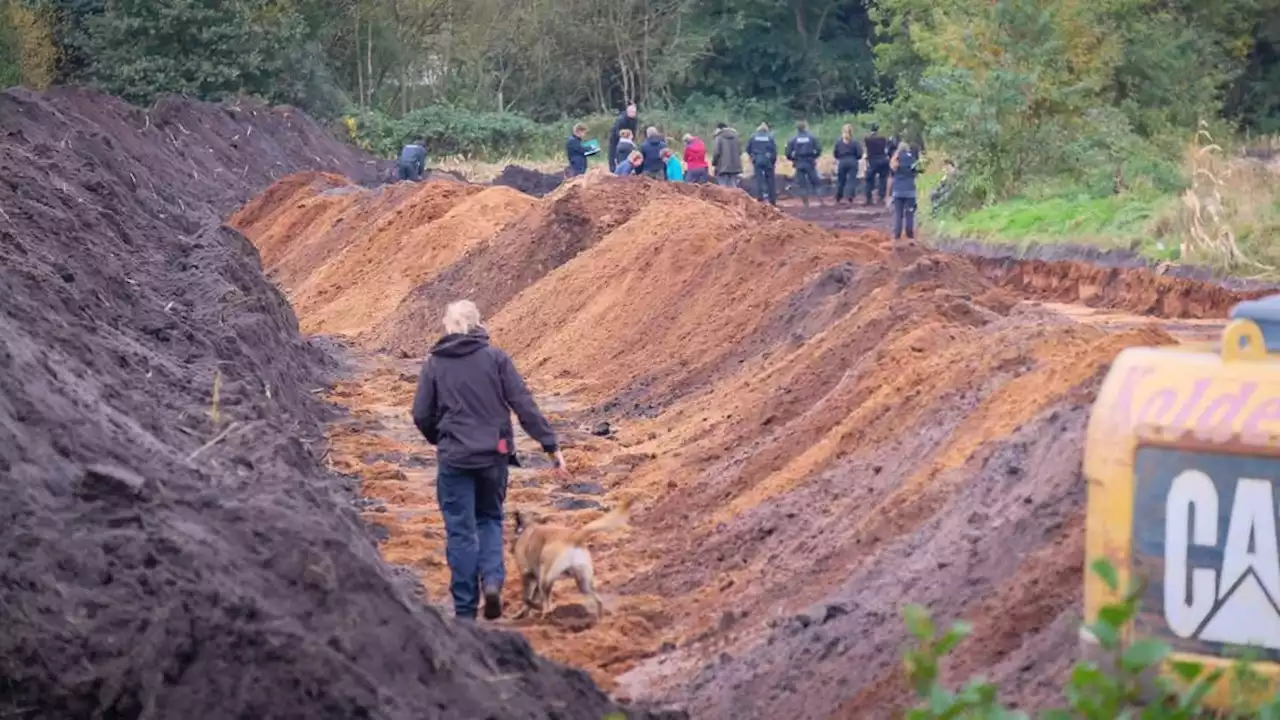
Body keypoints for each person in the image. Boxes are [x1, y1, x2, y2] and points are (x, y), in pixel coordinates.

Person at [411, 300, 569, 622]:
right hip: (493, 456)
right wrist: (551, 447)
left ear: (448, 326)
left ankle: (466, 610)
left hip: (454, 458)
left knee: (460, 531)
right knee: (489, 520)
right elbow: (523, 404)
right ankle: (493, 582)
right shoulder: (496, 359)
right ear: (478, 324)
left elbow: (420, 414)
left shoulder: (434, 364)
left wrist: (439, 439)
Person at [889, 142, 921, 242]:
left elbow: (891, 176)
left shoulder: (895, 159)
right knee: (909, 214)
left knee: (898, 215)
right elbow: (917, 171)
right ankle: (910, 237)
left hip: (897, 191)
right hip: (910, 190)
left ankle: (896, 237)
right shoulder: (912, 159)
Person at [785, 120, 822, 207]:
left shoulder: (793, 139)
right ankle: (821, 200)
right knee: (815, 182)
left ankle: (805, 203)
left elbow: (788, 153)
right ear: (805, 127)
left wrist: (793, 159)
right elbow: (819, 149)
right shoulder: (812, 137)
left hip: (799, 163)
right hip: (809, 162)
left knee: (802, 184)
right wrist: (814, 156)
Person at [746, 123, 778, 205]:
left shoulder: (753, 137)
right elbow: (774, 151)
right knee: (770, 180)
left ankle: (760, 198)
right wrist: (773, 162)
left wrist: (753, 157)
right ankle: (772, 200)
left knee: (759, 179)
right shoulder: (770, 137)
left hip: (757, 159)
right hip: (768, 160)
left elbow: (748, 149)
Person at [833, 124, 863, 204]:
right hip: (852, 161)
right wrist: (855, 158)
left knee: (841, 180)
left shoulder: (839, 142)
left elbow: (835, 153)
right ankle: (850, 196)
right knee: (851, 180)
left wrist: (839, 158)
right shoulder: (855, 142)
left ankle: (838, 196)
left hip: (842, 161)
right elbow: (860, 153)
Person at [863, 123, 890, 206]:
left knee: (869, 180)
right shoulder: (883, 139)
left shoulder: (868, 139)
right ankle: (881, 197)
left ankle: (868, 198)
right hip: (883, 160)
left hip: (873, 161)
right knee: (883, 179)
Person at [608, 104, 639, 172]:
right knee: (613, 152)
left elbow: (634, 129)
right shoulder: (621, 119)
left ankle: (629, 168)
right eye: (632, 112)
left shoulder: (635, 119)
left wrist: (632, 139)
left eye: (635, 112)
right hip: (615, 138)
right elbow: (617, 130)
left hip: (628, 136)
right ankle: (613, 168)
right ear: (628, 112)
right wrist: (623, 139)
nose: (634, 114)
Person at [712, 123, 743, 188]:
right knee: (733, 186)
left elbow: (716, 152)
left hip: (723, 167)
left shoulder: (719, 137)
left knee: (723, 187)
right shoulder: (736, 137)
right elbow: (740, 152)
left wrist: (714, 163)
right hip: (735, 167)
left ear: (719, 129)